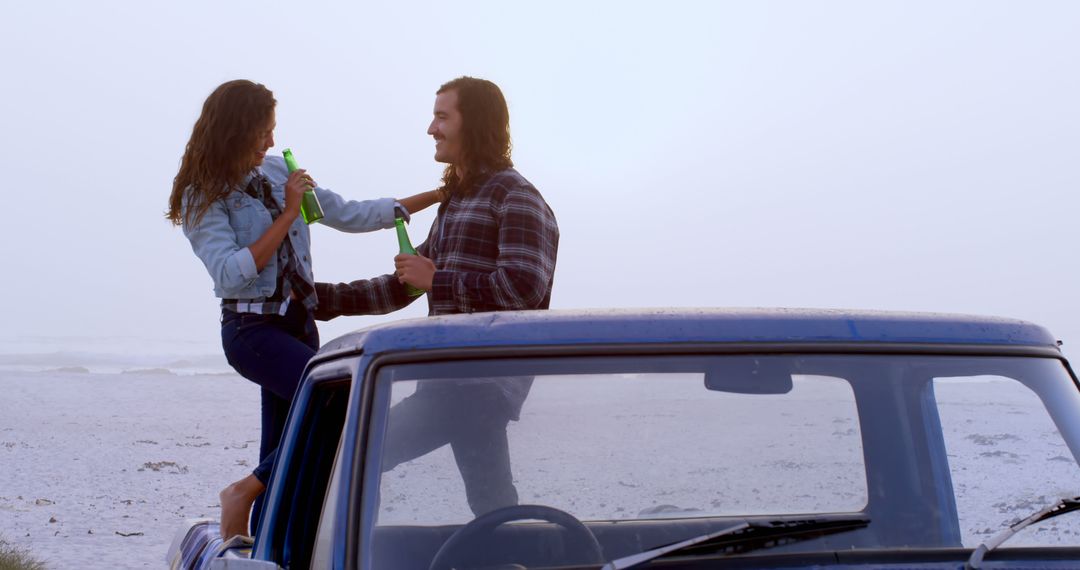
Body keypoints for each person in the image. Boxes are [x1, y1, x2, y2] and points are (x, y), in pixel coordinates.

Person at [166, 79, 440, 538]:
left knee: (283, 443)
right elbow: (231, 273)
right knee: (336, 402)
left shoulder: (277, 172)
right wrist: (290, 213)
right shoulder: (203, 194)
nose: (272, 141)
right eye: (263, 131)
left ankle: (273, 544)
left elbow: (350, 213)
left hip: (299, 325)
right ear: (236, 130)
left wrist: (436, 196)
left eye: (273, 130)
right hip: (252, 331)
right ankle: (241, 493)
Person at [314, 76, 560, 516]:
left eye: (442, 117)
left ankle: (349, 552)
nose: (431, 128)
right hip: (455, 380)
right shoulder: (459, 202)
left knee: (355, 455)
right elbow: (405, 284)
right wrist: (320, 300)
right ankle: (510, 556)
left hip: (477, 384)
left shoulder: (516, 196)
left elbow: (524, 289)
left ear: (477, 123)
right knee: (492, 502)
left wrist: (437, 280)